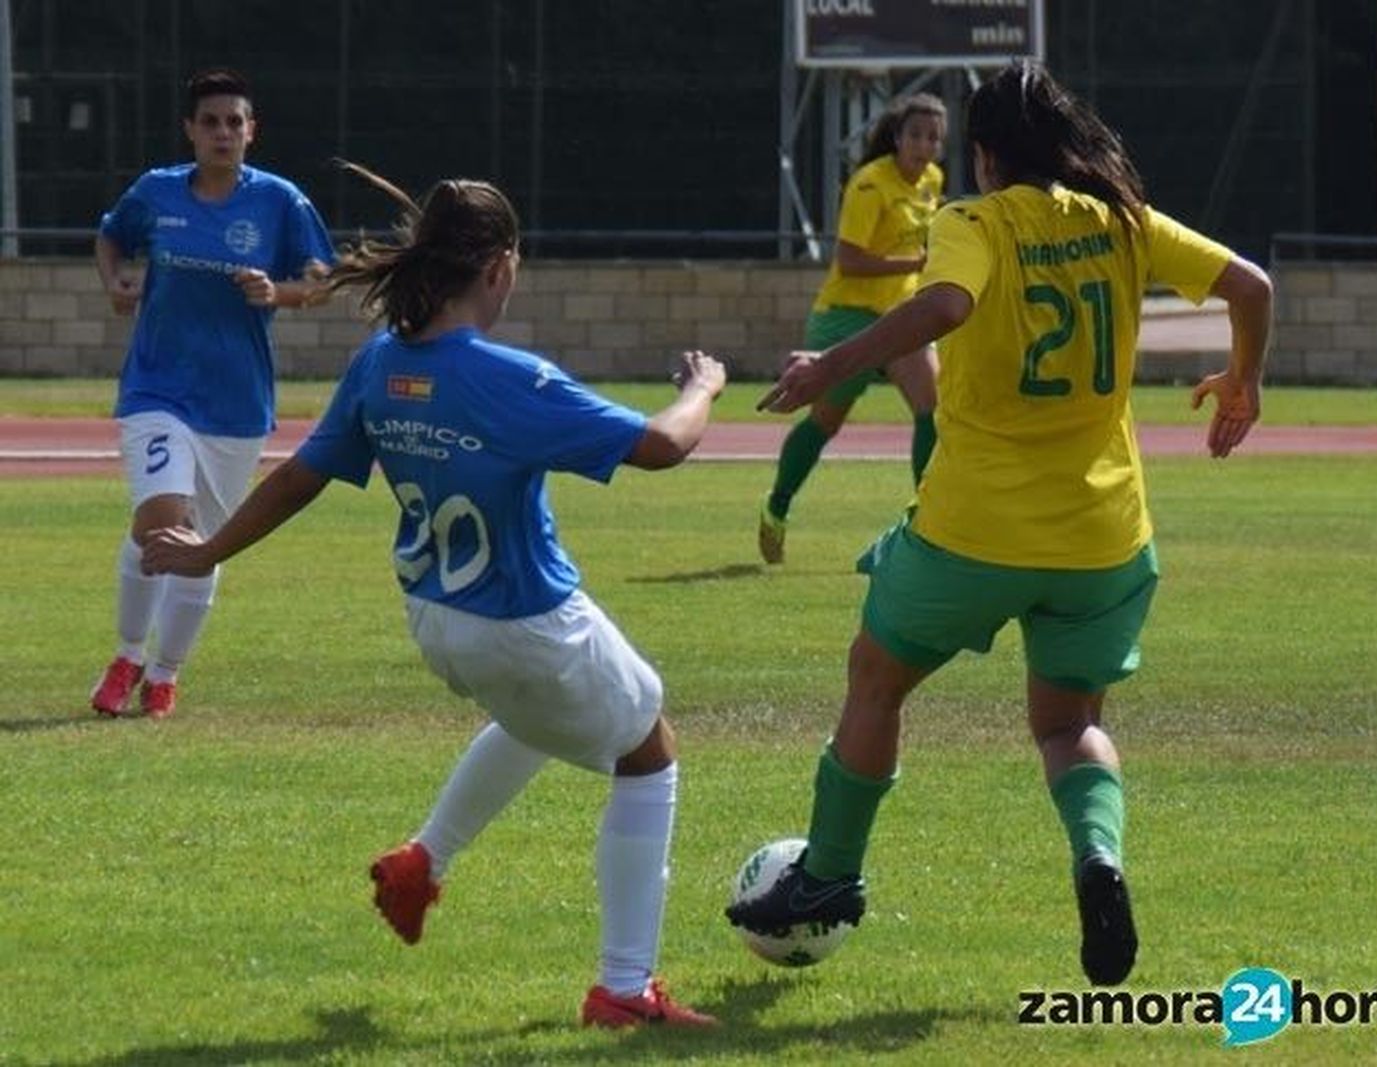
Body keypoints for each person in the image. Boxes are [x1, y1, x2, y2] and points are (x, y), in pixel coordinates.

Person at [727, 60, 1273, 988]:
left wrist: (831, 362)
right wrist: (1244, 381)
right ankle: (1098, 860)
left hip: (972, 534)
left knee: (876, 680)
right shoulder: (1121, 221)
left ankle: (826, 879)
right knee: (1068, 724)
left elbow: (944, 306)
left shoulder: (973, 221)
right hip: (1102, 538)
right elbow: (1251, 286)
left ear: (983, 156)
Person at [142, 166, 725, 1028]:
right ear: (498, 269)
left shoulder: (381, 364)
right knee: (651, 755)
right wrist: (703, 385)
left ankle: (422, 861)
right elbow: (660, 446)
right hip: (528, 621)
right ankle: (624, 988)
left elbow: (304, 474)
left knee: (534, 718)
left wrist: (211, 549)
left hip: (438, 623)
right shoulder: (507, 378)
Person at [89, 68, 335, 719]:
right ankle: (126, 653)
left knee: (203, 544)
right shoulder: (158, 192)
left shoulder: (281, 201)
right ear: (190, 131)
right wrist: (116, 282)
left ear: (251, 131)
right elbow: (112, 236)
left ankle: (165, 673)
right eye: (210, 122)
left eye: (234, 121)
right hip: (157, 387)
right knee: (160, 519)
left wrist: (277, 291)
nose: (222, 132)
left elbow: (320, 278)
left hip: (236, 402)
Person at [758, 92, 947, 564]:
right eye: (916, 135)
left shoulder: (932, 180)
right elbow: (850, 260)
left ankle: (929, 524)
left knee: (934, 408)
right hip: (848, 313)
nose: (924, 145)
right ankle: (776, 505)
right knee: (827, 419)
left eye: (934, 137)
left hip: (901, 313)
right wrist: (920, 262)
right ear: (897, 138)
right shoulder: (869, 185)